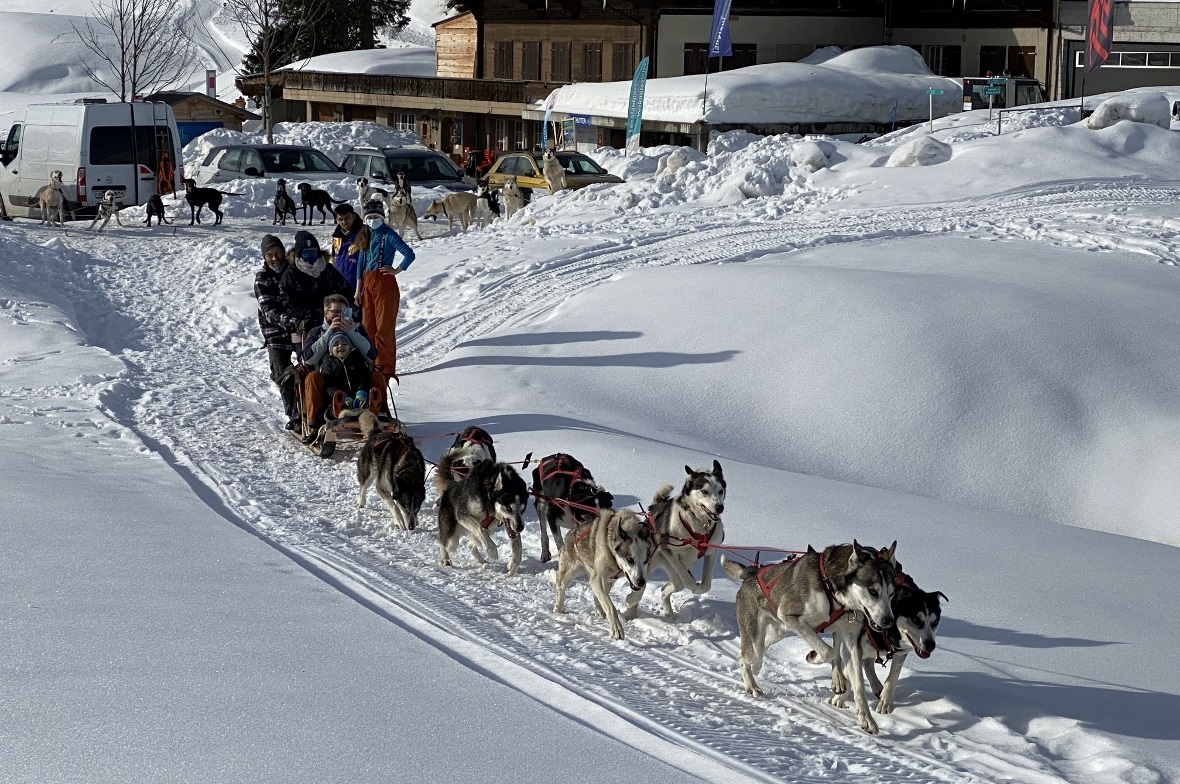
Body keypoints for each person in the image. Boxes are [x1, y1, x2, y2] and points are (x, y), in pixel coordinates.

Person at [300, 294, 388, 438]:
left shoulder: (357, 328)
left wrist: (350, 332)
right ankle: (315, 425)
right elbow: (308, 359)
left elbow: (371, 355)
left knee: (376, 375)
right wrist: (329, 332)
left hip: (356, 378)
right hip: (329, 381)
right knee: (312, 377)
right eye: (335, 312)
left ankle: (382, 415)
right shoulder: (316, 332)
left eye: (344, 311)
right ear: (326, 313)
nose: (340, 315)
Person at [356, 199, 415, 381]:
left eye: (376, 216)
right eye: (369, 217)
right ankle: (370, 365)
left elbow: (409, 254)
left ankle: (385, 369)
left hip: (384, 284)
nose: (372, 220)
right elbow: (360, 262)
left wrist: (396, 270)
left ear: (382, 217)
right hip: (367, 285)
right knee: (367, 328)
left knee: (384, 329)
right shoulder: (365, 234)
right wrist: (358, 290)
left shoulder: (389, 235)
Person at [254, 234, 302, 430]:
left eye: (277, 253)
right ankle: (294, 415)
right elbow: (269, 311)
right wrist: (293, 321)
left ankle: (315, 410)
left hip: (299, 329)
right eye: (270, 255)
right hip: (276, 332)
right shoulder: (262, 278)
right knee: (283, 373)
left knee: (312, 366)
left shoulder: (294, 270)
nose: (275, 258)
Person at [280, 230, 354, 339]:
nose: (310, 255)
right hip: (305, 324)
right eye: (306, 252)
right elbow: (287, 303)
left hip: (333, 319)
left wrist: (340, 310)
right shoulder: (291, 275)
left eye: (313, 251)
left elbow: (347, 291)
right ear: (299, 254)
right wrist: (311, 313)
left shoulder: (327, 269)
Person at [330, 203, 364, 298]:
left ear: (353, 216)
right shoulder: (336, 237)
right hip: (339, 290)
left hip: (359, 290)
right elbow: (333, 261)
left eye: (347, 218)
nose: (344, 222)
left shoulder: (364, 234)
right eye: (340, 219)